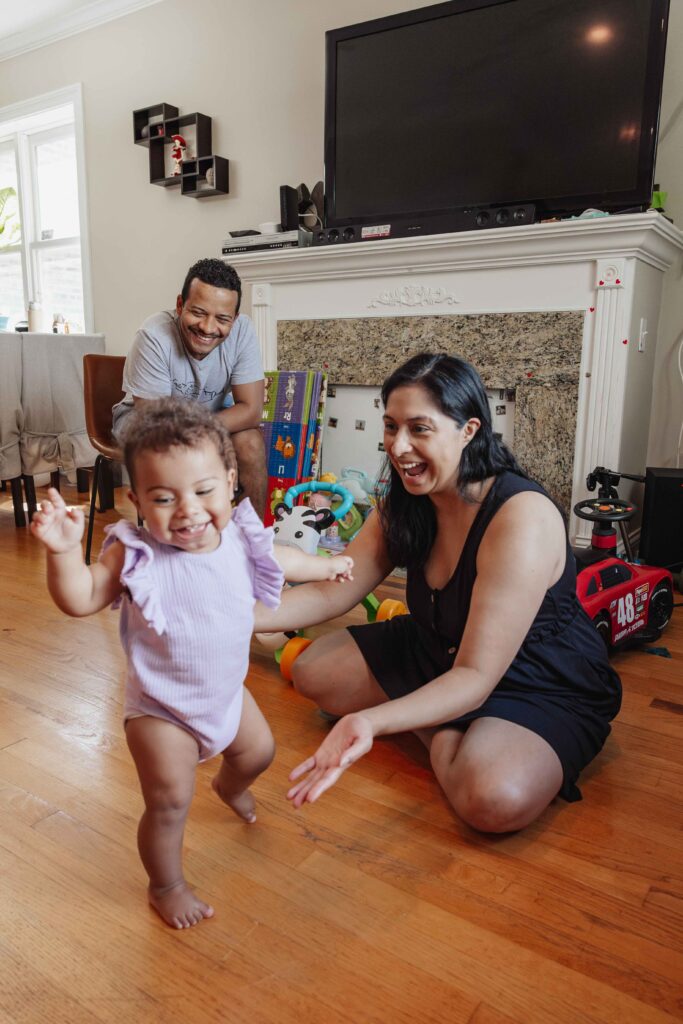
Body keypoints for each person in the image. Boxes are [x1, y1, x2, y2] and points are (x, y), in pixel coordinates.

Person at [254, 352, 622, 832]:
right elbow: (330, 595)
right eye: (390, 426)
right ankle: (441, 719)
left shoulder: (520, 517)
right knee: (313, 672)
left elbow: (476, 673)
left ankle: (433, 726)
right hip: (439, 647)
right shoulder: (403, 503)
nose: (398, 446)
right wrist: (228, 616)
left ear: (468, 430)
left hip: (535, 676)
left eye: (419, 429)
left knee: (492, 798)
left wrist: (374, 721)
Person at [31, 398, 352, 929]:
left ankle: (230, 785)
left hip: (226, 692)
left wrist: (328, 564)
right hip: (161, 710)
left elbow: (284, 559)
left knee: (260, 752)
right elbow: (82, 597)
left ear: (230, 483)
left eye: (203, 491)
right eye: (163, 497)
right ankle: (166, 884)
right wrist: (63, 553)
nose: (187, 510)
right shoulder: (134, 553)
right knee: (169, 801)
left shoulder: (240, 538)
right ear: (135, 500)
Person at [112, 258, 268, 518]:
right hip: (143, 420)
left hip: (211, 415)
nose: (208, 327)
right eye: (198, 312)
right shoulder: (153, 335)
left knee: (250, 443)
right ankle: (178, 548)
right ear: (180, 305)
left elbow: (251, 411)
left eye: (222, 318)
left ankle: (251, 547)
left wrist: (204, 430)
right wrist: (207, 435)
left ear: (235, 318)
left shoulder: (243, 331)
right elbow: (159, 425)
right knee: (172, 451)